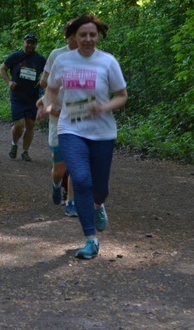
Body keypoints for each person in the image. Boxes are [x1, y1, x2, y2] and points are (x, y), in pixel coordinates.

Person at [38, 15, 128, 260]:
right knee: (79, 178)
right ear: (74, 37)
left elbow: (122, 95)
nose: (88, 39)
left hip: (102, 132)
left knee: (99, 188)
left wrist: (105, 107)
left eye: (92, 35)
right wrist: (47, 106)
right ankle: (90, 239)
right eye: (83, 35)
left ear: (98, 36)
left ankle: (98, 205)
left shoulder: (108, 62)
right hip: (70, 129)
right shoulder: (63, 61)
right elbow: (52, 88)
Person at [37, 21, 78, 216]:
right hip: (57, 114)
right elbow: (43, 81)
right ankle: (55, 183)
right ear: (66, 35)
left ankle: (71, 202)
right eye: (72, 32)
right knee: (59, 168)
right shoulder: (56, 54)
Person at [0, 33, 46, 161]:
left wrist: (43, 82)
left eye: (32, 43)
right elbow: (2, 69)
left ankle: (25, 151)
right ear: (23, 42)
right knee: (19, 124)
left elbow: (47, 74)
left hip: (33, 97)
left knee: (30, 124)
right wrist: (8, 82)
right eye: (28, 42)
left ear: (35, 45)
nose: (30, 45)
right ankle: (14, 144)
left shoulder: (40, 60)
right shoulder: (15, 56)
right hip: (17, 96)